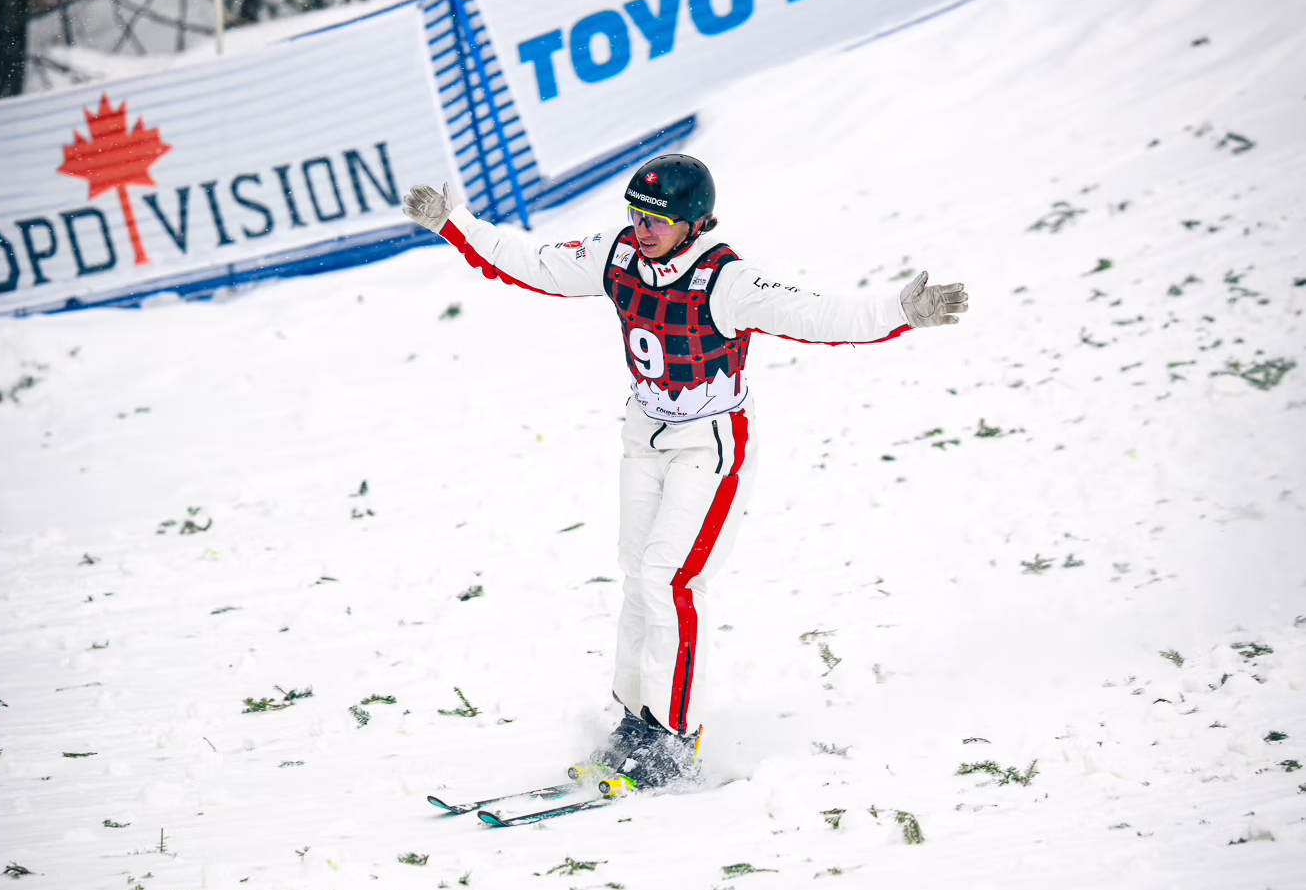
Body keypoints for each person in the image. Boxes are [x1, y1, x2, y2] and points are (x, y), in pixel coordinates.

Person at [402, 154, 967, 792]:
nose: (643, 231)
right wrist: (456, 223)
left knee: (669, 579)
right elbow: (534, 265)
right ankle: (635, 721)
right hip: (645, 435)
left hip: (709, 443)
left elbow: (818, 316)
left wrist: (900, 310)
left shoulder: (725, 280)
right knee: (636, 578)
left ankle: (676, 736)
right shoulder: (616, 256)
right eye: (637, 216)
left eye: (659, 221)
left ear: (695, 223)